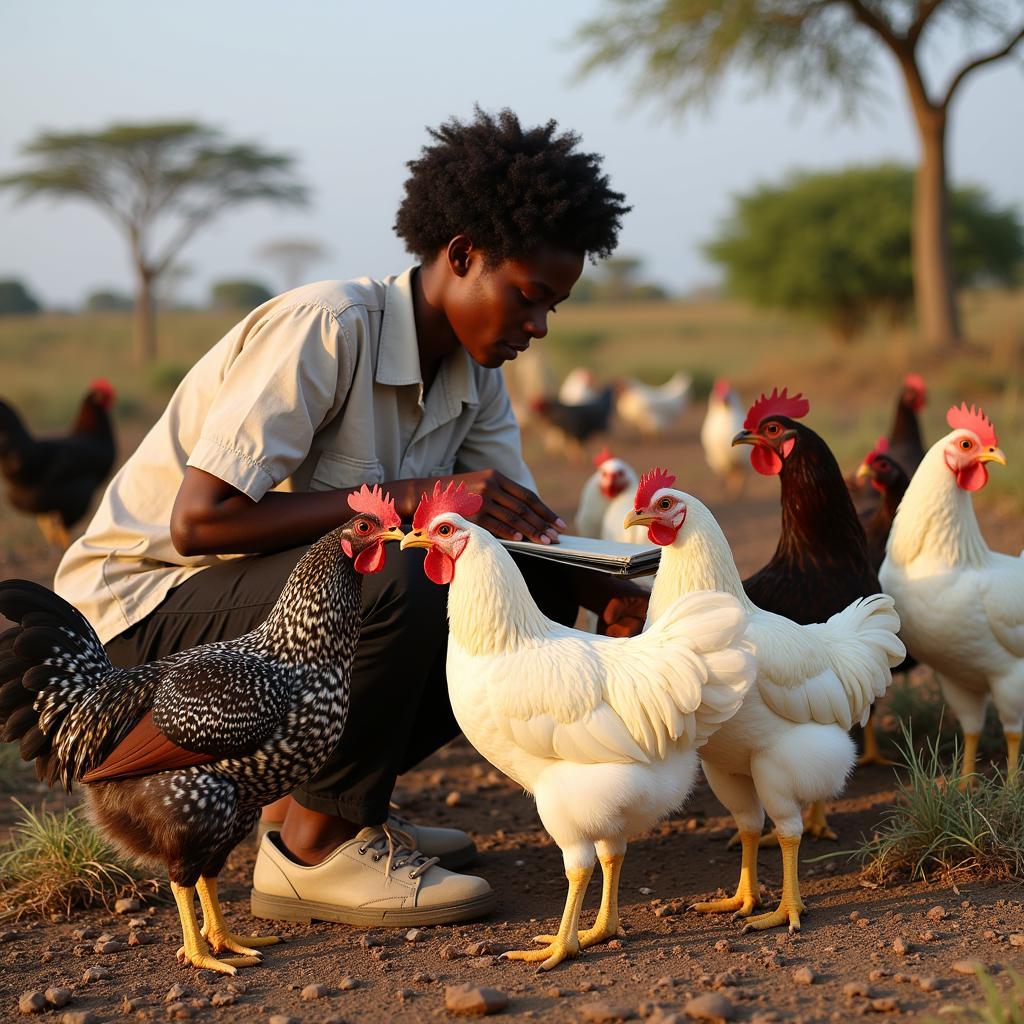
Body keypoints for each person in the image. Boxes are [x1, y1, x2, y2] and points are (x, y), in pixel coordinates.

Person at [55, 108, 646, 927]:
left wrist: (612, 593)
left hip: (252, 627)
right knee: (399, 573)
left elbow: (512, 537)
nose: (539, 326)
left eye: (554, 308)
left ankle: (315, 806)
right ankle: (313, 850)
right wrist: (409, 500)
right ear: (463, 255)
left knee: (516, 590)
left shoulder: (476, 377)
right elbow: (201, 523)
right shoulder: (328, 327)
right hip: (144, 619)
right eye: (528, 297)